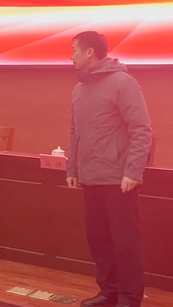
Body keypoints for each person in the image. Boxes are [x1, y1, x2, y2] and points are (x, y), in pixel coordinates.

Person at [66, 31, 152, 307]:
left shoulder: (123, 83)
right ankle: (109, 292)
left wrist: (133, 171)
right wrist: (72, 168)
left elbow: (141, 130)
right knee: (99, 240)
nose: (71, 56)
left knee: (125, 242)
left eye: (74, 50)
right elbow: (76, 132)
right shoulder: (79, 89)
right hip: (90, 177)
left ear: (90, 52)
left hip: (118, 179)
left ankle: (129, 298)